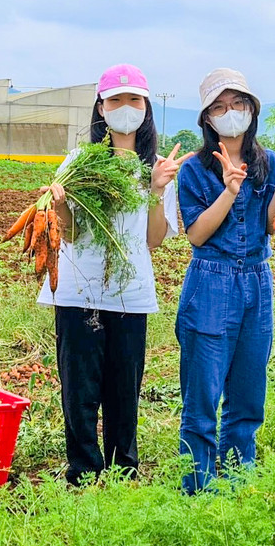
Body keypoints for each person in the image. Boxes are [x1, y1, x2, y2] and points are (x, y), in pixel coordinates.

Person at [38, 64, 189, 485]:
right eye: (116, 100)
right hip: (76, 291)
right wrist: (62, 203)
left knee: (124, 389)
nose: (126, 108)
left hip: (130, 294)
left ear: (146, 108)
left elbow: (154, 239)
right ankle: (83, 473)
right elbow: (66, 231)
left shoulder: (158, 167)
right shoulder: (79, 163)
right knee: (80, 390)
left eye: (134, 100)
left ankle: (124, 472)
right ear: (100, 109)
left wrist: (157, 190)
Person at [174, 68, 275, 493]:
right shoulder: (194, 170)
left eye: (238, 104)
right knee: (203, 394)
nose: (230, 113)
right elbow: (196, 234)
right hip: (212, 279)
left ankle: (237, 481)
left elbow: (268, 226)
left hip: (257, 279)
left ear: (252, 110)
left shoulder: (266, 161)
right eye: (219, 107)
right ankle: (198, 487)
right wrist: (229, 190)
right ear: (207, 119)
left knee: (249, 391)